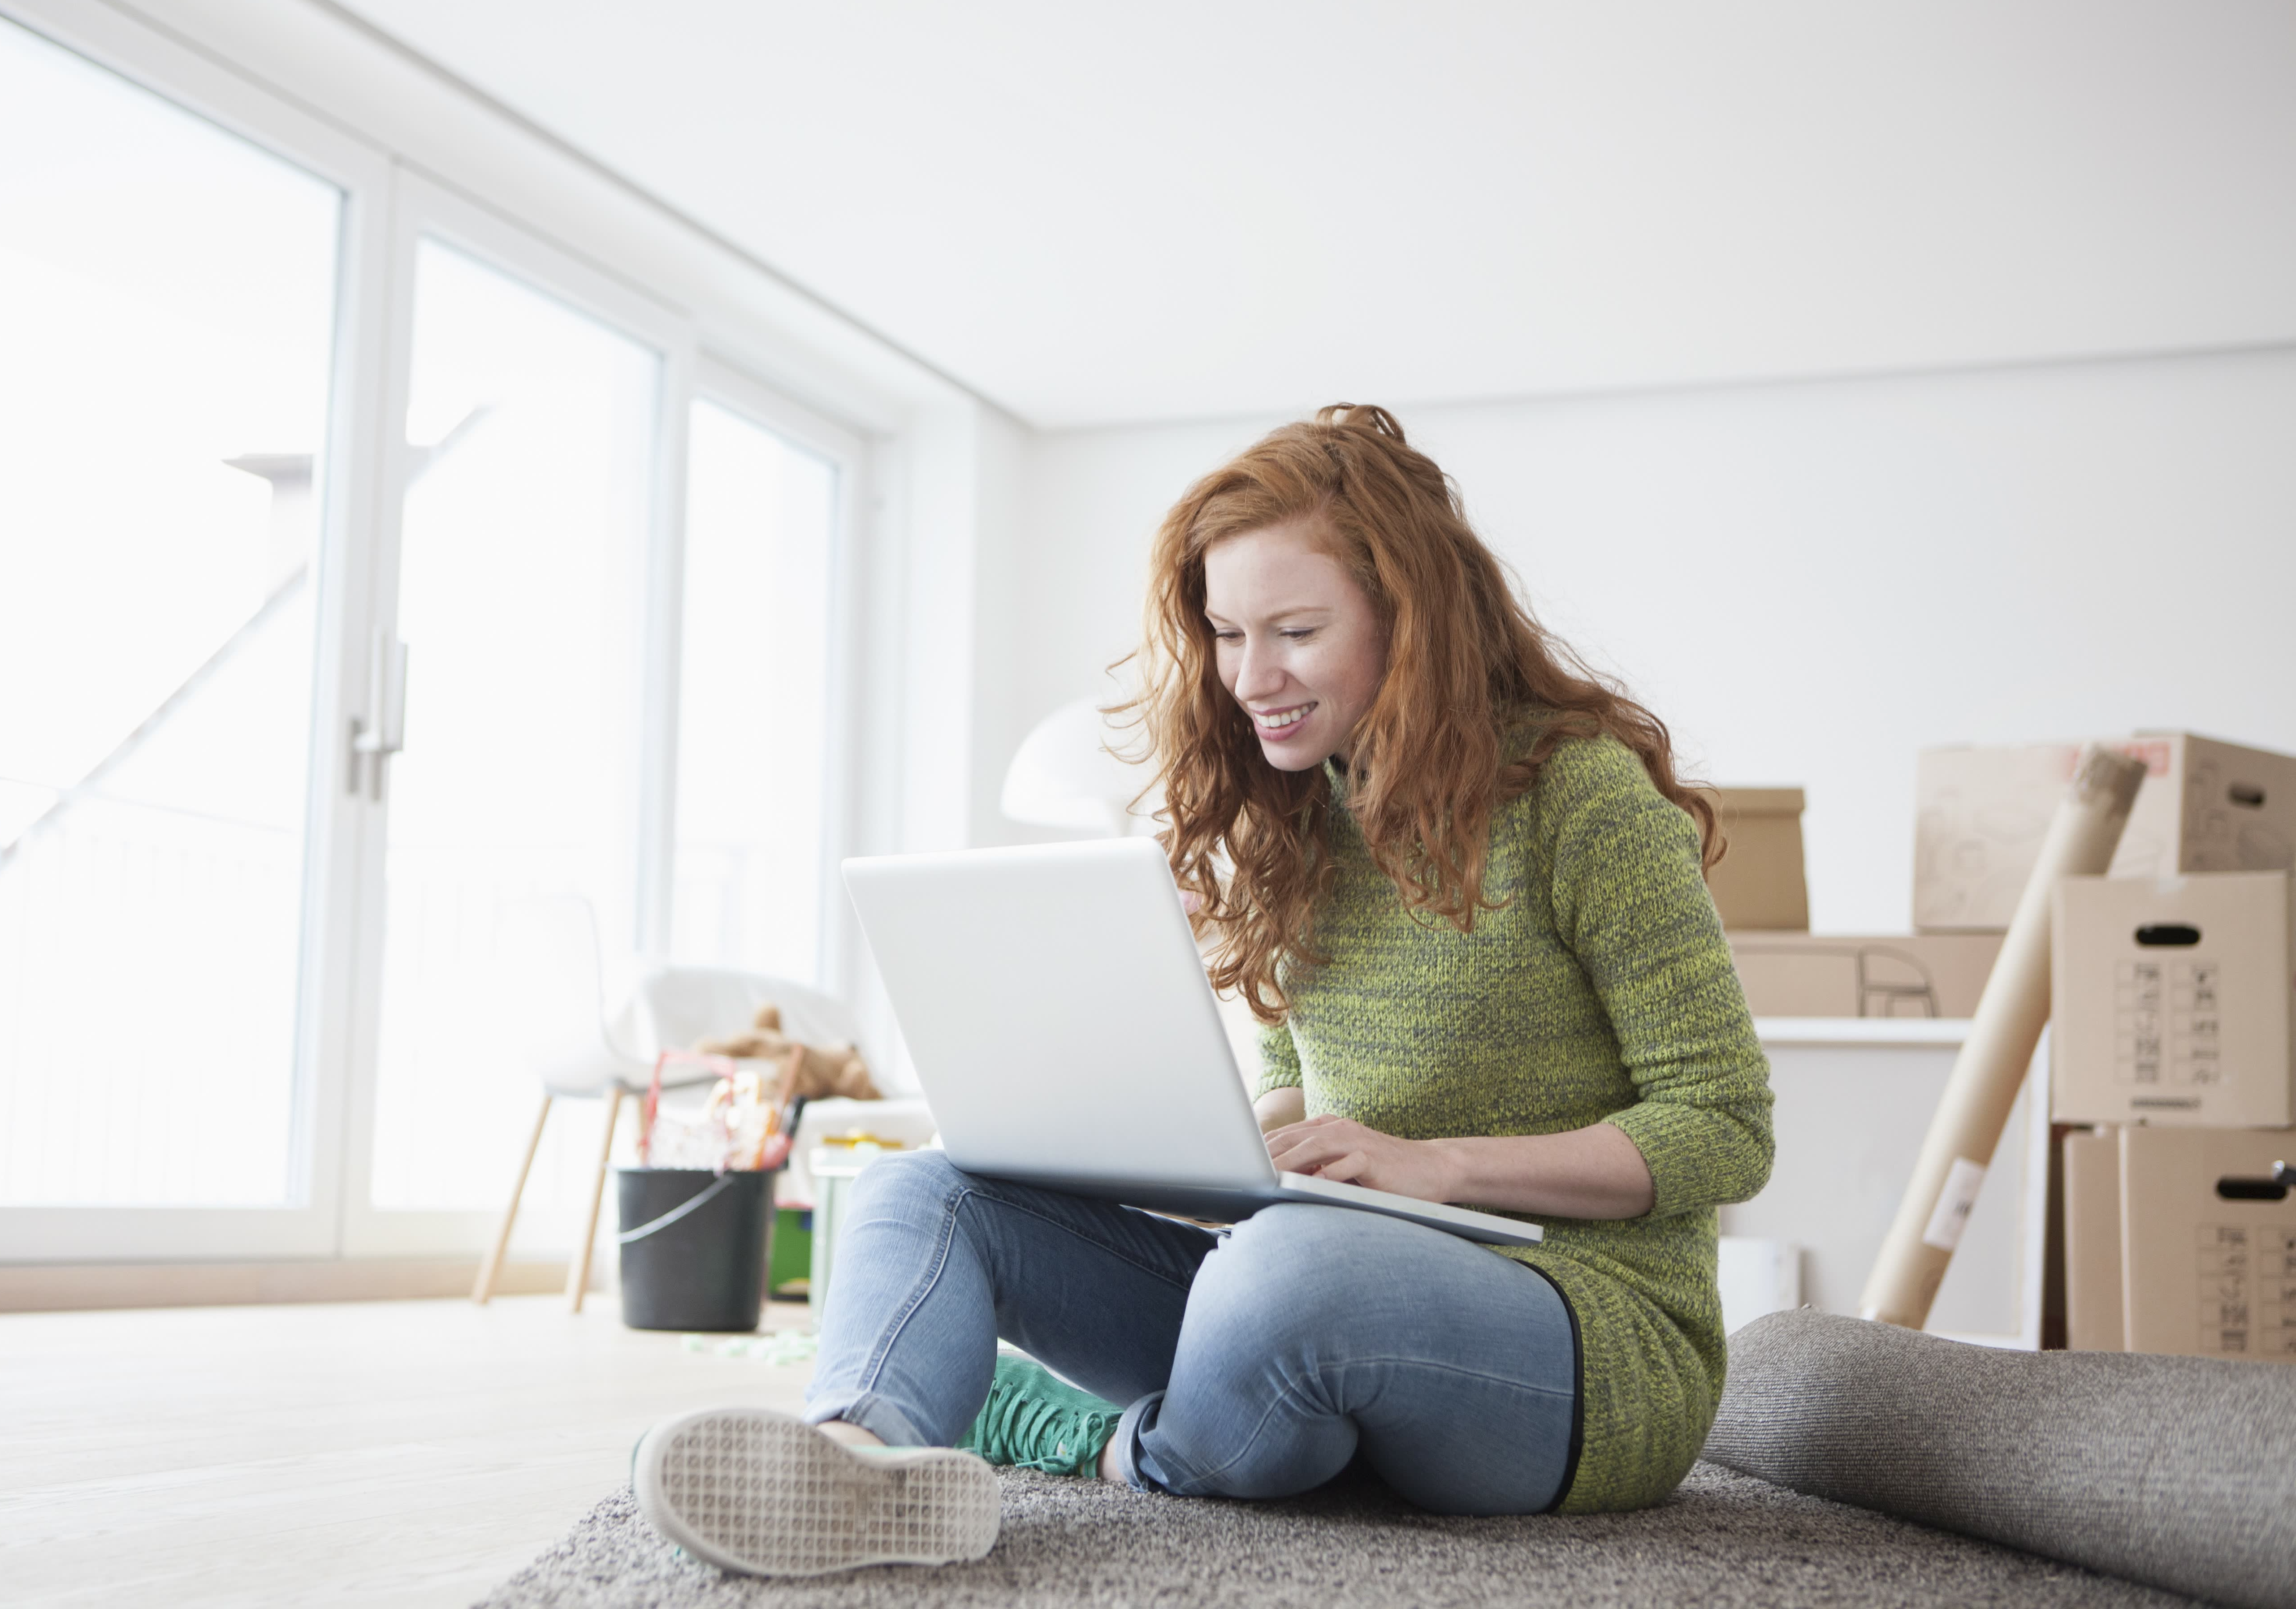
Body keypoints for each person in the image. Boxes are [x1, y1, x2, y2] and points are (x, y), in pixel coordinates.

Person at [630, 404, 1774, 1578]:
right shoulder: (1301, 812)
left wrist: (1438, 1166)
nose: (1249, 676)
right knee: (919, 1194)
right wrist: (1211, 1150)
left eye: (1294, 630)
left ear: (1411, 618)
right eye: (1227, 633)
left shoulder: (1583, 802)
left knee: (1284, 1281)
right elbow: (1295, 1081)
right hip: (1317, 1277)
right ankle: (859, 1461)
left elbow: (1725, 1126)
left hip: (1590, 1335)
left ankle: (1104, 1446)